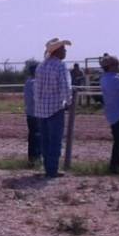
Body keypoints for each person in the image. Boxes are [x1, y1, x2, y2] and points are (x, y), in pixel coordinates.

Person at [33, 38, 73, 178]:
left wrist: (38, 104)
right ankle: (52, 169)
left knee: (45, 141)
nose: (65, 51)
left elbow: (36, 88)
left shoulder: (41, 66)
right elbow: (65, 86)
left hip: (41, 109)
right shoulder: (60, 66)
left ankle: (47, 168)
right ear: (57, 51)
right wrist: (69, 101)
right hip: (55, 107)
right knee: (55, 140)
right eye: (63, 49)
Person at [23, 63, 40, 166]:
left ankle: (32, 159)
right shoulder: (35, 83)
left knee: (32, 136)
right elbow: (37, 98)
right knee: (37, 136)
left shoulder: (28, 82)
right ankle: (36, 158)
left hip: (30, 113)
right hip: (36, 113)